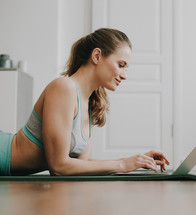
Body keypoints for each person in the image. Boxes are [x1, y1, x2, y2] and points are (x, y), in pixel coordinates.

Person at [0, 28, 169, 176]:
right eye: (121, 65)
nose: (124, 75)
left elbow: (81, 164)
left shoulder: (90, 102)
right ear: (97, 56)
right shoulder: (64, 87)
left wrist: (135, 161)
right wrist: (123, 165)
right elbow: (59, 166)